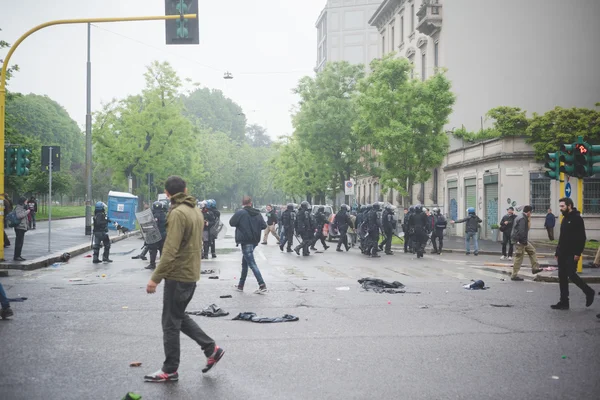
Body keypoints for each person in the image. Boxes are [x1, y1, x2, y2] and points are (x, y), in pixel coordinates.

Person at [145, 176, 224, 382]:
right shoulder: (194, 210)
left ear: (168, 194)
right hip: (190, 273)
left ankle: (170, 369)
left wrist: (155, 278)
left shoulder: (178, 213)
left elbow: (170, 249)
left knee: (170, 323)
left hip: (178, 275)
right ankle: (211, 349)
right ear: (186, 190)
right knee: (178, 315)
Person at [551, 197, 595, 310]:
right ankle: (564, 302)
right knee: (562, 277)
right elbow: (562, 237)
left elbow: (582, 238)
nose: (560, 208)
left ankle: (589, 291)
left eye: (562, 206)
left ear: (569, 206)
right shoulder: (564, 218)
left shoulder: (577, 219)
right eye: (560, 206)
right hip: (562, 253)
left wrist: (577, 253)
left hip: (571, 253)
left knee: (571, 274)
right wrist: (557, 251)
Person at [229, 196, 268, 293]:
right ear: (251, 203)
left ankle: (262, 285)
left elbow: (231, 223)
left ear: (243, 203)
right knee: (245, 263)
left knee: (251, 263)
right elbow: (264, 225)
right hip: (254, 240)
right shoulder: (257, 213)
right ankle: (240, 285)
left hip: (245, 240)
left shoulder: (240, 213)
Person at [510, 205, 544, 281]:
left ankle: (535, 268)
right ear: (528, 212)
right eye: (531, 212)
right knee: (519, 258)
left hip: (521, 240)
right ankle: (514, 275)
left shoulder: (521, 216)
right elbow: (522, 231)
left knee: (532, 250)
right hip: (520, 241)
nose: (531, 214)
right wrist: (523, 242)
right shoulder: (522, 218)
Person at [146, 201, 167, 270]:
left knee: (153, 250)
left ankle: (152, 264)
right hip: (163, 235)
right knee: (162, 250)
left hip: (155, 235)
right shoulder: (164, 215)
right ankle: (163, 266)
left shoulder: (154, 215)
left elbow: (152, 225)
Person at [13, 197, 30, 262]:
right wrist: (26, 212)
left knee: (20, 242)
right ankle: (16, 256)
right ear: (22, 201)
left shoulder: (23, 207)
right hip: (19, 227)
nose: (26, 203)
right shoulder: (19, 207)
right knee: (18, 242)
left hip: (22, 227)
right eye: (26, 201)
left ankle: (19, 255)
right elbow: (18, 216)